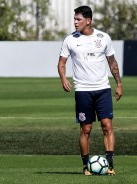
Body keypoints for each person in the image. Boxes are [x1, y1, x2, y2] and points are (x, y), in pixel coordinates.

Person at [57, 5, 122, 176]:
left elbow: (112, 62)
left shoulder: (104, 38)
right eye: (74, 19)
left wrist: (119, 84)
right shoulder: (70, 40)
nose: (75, 22)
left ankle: (110, 165)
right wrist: (63, 79)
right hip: (83, 91)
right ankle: (86, 166)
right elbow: (61, 63)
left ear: (88, 20)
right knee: (85, 129)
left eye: (78, 19)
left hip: (103, 89)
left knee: (107, 126)